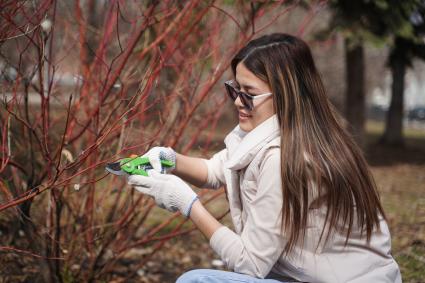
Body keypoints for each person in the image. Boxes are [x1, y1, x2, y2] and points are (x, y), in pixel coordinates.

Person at [127, 33, 402, 283]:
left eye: (249, 95)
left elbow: (250, 264)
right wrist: (171, 159)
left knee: (196, 281)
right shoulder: (281, 134)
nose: (237, 102)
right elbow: (217, 170)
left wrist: (188, 205)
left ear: (285, 95)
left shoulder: (285, 158)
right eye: (234, 90)